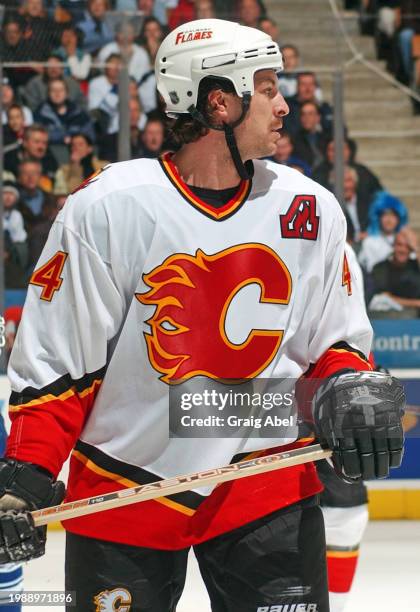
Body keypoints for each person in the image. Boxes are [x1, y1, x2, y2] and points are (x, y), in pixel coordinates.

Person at [0, 18, 404, 612]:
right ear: (220, 102)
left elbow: (335, 342)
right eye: (267, 88)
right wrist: (24, 479)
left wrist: (347, 390)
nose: (285, 105)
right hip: (127, 490)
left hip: (263, 484)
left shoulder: (310, 209)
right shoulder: (109, 208)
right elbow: (59, 360)